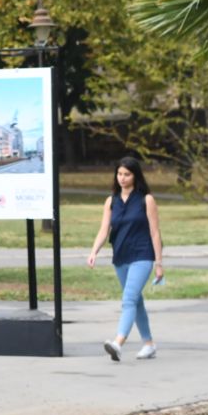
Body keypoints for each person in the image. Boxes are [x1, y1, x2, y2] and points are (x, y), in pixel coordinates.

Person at [85, 155, 164, 361]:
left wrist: (158, 263)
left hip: (142, 254)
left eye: (127, 174)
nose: (122, 178)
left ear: (135, 176)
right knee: (136, 301)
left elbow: (155, 233)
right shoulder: (111, 201)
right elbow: (104, 230)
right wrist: (94, 251)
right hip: (120, 256)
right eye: (119, 174)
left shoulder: (147, 199)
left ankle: (118, 343)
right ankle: (149, 344)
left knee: (128, 299)